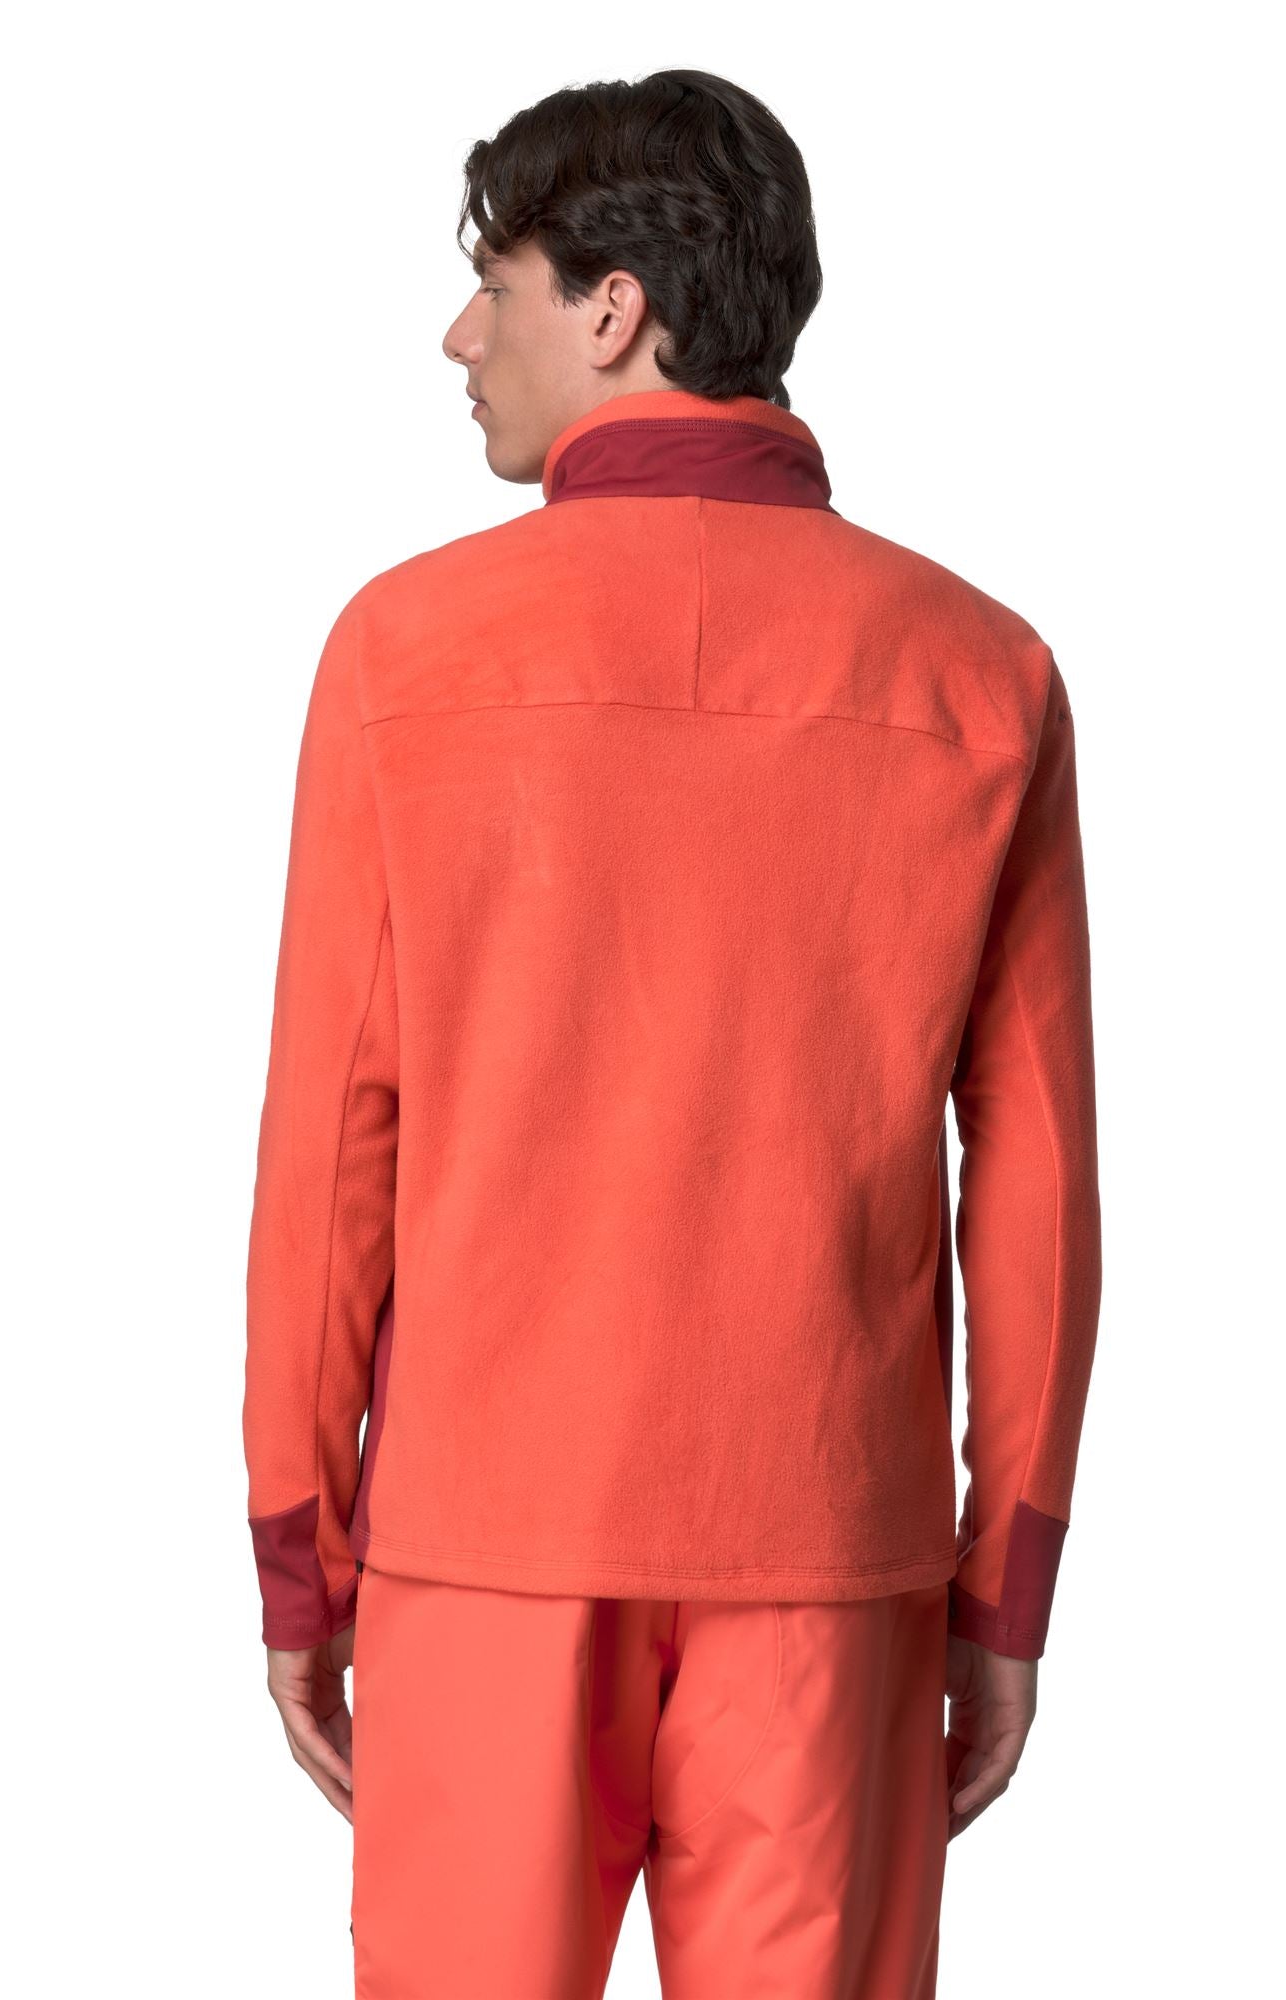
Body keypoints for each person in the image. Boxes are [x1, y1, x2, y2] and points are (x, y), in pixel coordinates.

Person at [242, 68, 1102, 1999]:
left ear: (616, 308)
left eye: (499, 287)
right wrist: (1007, 1578)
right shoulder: (983, 671)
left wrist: (301, 1542)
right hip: (832, 1552)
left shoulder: (404, 654)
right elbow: (1037, 1175)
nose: (462, 336)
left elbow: (331, 1144)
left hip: (485, 1545)